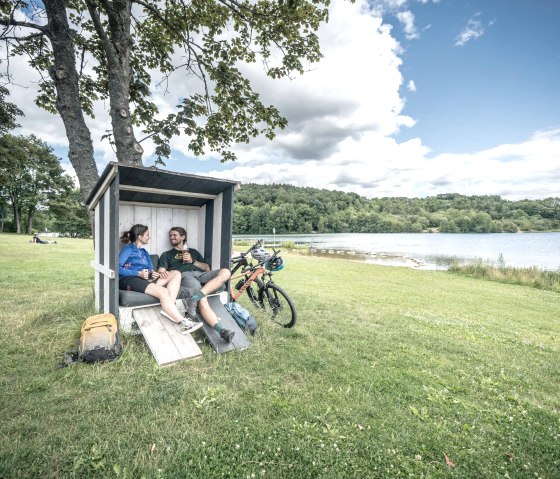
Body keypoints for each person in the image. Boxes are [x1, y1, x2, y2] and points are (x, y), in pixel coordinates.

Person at [118, 224, 202, 334]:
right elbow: (117, 268)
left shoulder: (144, 253)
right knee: (164, 291)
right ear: (139, 236)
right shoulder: (128, 249)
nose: (149, 237)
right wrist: (138, 273)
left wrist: (156, 274)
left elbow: (150, 270)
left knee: (176, 273)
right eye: (147, 235)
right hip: (129, 279)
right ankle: (184, 323)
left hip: (144, 280)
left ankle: (169, 308)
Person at [157, 226, 235, 343]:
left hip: (201, 275)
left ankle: (196, 297)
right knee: (200, 295)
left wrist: (193, 261)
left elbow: (207, 268)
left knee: (226, 272)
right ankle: (222, 331)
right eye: (170, 236)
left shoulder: (193, 252)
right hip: (185, 276)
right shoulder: (166, 254)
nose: (171, 237)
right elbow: (161, 271)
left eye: (174, 235)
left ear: (183, 237)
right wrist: (164, 273)